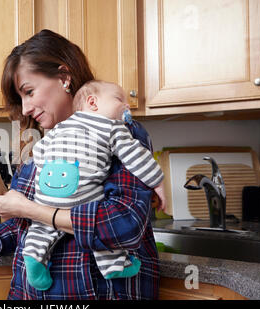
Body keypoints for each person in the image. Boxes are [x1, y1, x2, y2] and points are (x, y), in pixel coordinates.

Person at [0, 29, 162, 300]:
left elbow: (124, 225)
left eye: (29, 92)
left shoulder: (119, 132)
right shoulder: (44, 143)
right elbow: (20, 227)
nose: (24, 109)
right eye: (20, 98)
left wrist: (30, 208)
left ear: (64, 77)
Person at [23, 80, 165, 290]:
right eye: (120, 100)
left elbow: (40, 150)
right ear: (93, 102)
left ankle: (34, 258)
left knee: (42, 228)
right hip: (82, 198)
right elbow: (136, 157)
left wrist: (45, 174)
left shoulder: (59, 127)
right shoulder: (113, 126)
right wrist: (159, 182)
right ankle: (113, 266)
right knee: (98, 227)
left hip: (46, 191)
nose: (127, 106)